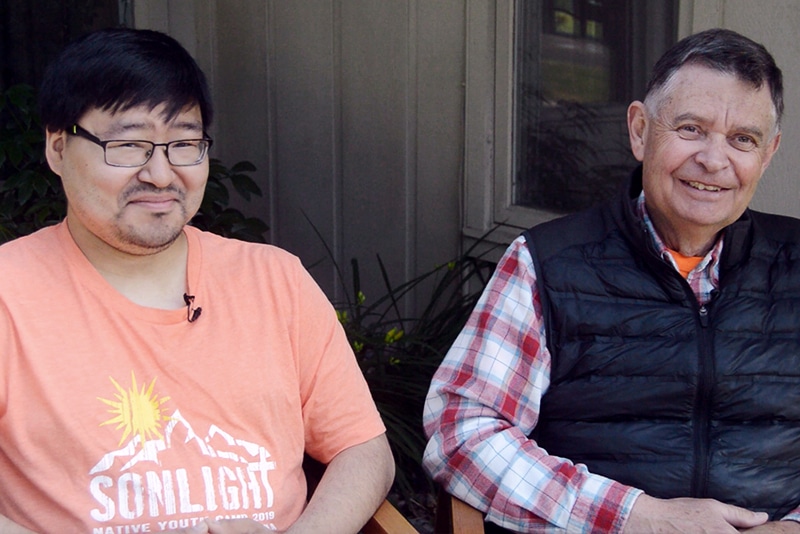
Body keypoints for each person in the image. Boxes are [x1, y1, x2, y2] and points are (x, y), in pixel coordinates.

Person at [0, 28, 394, 534]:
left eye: (184, 143)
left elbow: (362, 447)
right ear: (57, 149)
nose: (162, 175)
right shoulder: (11, 294)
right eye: (129, 145)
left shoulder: (275, 280)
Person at [423, 28, 800, 533]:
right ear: (640, 130)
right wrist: (638, 517)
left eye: (742, 140)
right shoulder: (548, 265)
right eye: (691, 129)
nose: (714, 160)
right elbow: (461, 431)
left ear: (768, 153)